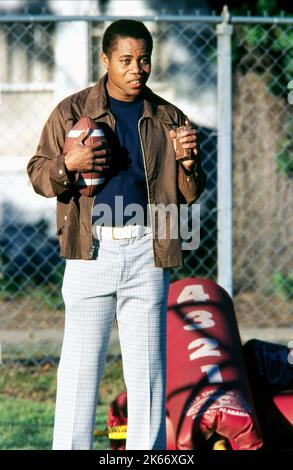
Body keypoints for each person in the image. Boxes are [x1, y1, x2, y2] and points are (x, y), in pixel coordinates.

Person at [27, 19, 206, 450]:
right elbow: (38, 174)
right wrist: (69, 163)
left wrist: (188, 165)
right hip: (92, 251)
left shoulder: (168, 116)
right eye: (125, 59)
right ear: (105, 59)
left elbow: (190, 195)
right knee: (79, 372)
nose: (137, 69)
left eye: (144, 59)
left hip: (149, 249)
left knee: (147, 376)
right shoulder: (71, 112)